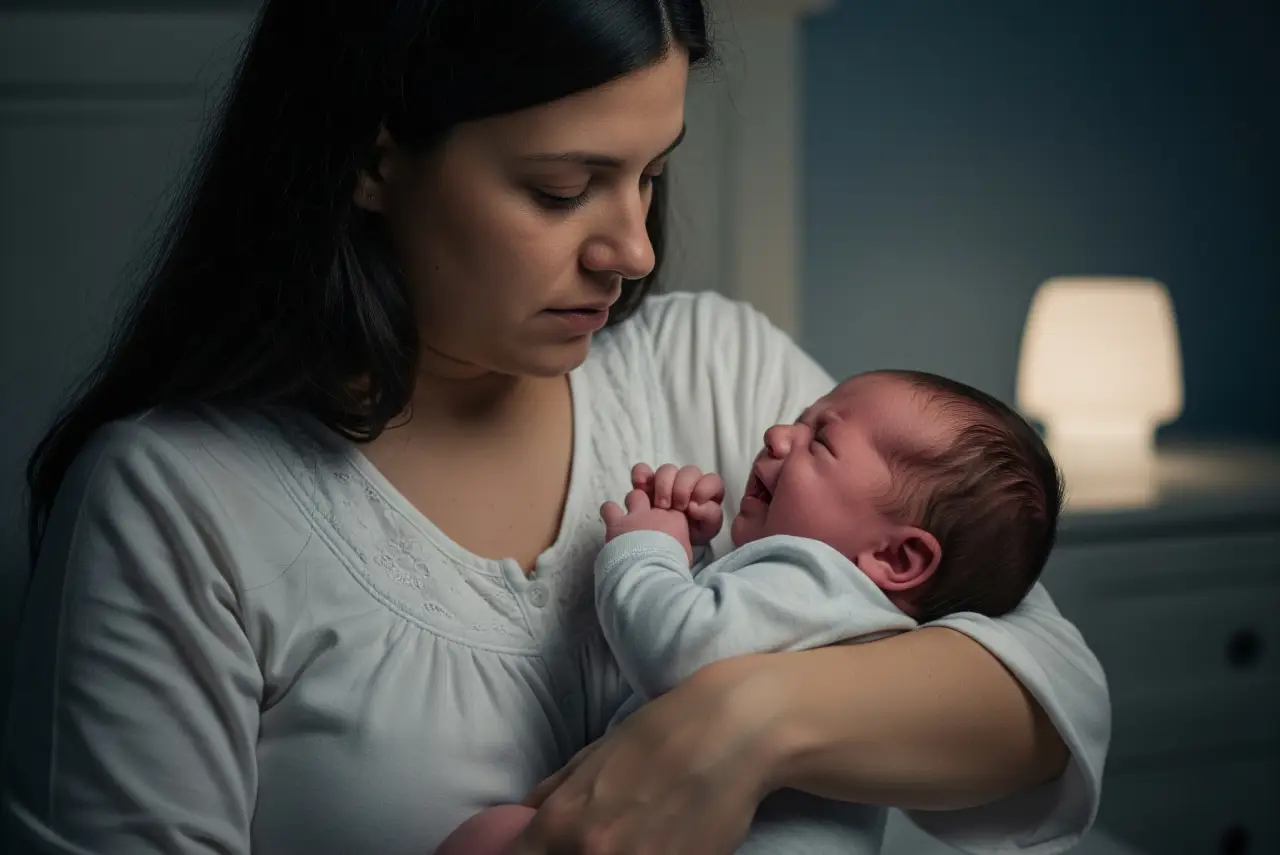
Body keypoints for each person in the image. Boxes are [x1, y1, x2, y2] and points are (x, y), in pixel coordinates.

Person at [0, 1, 1109, 854]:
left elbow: (1040, 688)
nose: (629, 249)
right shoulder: (175, 503)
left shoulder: (706, 364)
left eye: (648, 176)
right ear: (375, 158)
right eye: (562, 187)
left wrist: (741, 722)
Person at [434, 368, 1066, 854]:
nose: (778, 435)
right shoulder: (853, 618)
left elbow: (682, 654)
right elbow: (733, 635)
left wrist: (647, 545)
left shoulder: (814, 578)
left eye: (820, 441)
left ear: (897, 558)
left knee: (491, 835)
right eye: (800, 417)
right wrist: (697, 548)